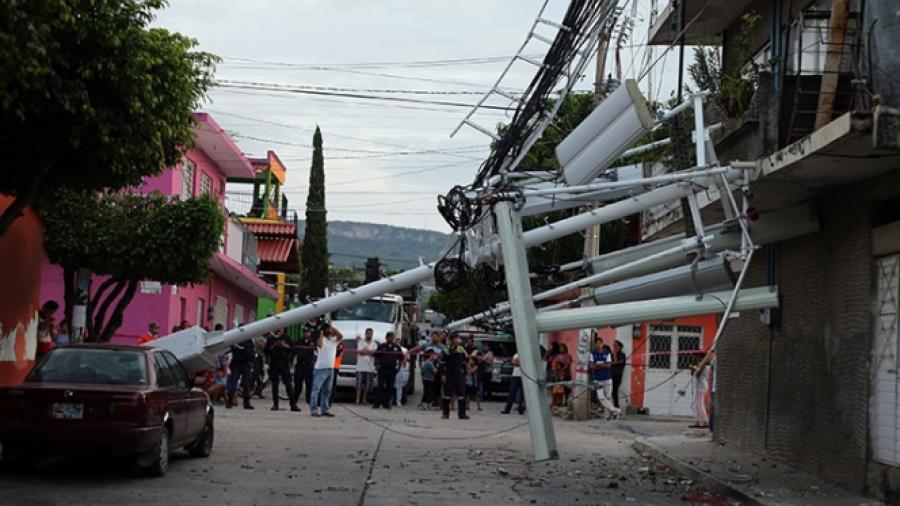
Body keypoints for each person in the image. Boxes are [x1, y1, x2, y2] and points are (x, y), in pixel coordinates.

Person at [310, 320, 343, 417]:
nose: (331, 331)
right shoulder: (322, 339)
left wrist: (331, 327)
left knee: (327, 390)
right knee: (316, 389)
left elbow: (340, 335)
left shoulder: (334, 341)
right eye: (328, 329)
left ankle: (325, 409)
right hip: (320, 368)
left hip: (330, 368)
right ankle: (314, 409)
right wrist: (321, 333)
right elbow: (319, 345)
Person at [265, 328, 299, 412]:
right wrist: (273, 346)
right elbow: (266, 350)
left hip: (284, 363)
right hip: (274, 363)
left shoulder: (286, 338)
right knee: (274, 384)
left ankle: (293, 404)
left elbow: (294, 349)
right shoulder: (271, 338)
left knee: (288, 384)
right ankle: (275, 404)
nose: (278, 331)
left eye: (280, 329)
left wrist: (285, 346)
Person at [440, 333, 469, 420]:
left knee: (461, 394)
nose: (458, 340)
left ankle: (462, 414)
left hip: (459, 374)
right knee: (447, 394)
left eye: (458, 338)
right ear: (451, 340)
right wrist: (443, 374)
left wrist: (466, 374)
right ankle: (445, 414)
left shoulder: (461, 349)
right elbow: (442, 364)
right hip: (448, 374)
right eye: (456, 338)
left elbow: (464, 363)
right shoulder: (445, 350)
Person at [591, 340, 621, 420]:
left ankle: (608, 415)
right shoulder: (593, 353)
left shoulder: (607, 353)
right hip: (598, 379)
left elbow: (608, 365)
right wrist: (598, 366)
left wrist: (599, 365)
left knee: (608, 397)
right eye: (596, 343)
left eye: (599, 343)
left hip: (607, 378)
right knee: (601, 397)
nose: (598, 344)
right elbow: (592, 366)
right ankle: (615, 410)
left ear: (602, 344)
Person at [373, 331, 402, 409]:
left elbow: (401, 358)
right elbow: (376, 356)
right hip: (382, 369)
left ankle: (386, 404)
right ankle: (377, 403)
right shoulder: (381, 346)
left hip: (392, 370)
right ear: (386, 338)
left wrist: (399, 368)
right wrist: (376, 365)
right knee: (380, 387)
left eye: (392, 337)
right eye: (389, 337)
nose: (391, 339)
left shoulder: (397, 348)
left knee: (390, 387)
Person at [226, 335, 255, 410]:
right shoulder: (236, 338)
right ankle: (230, 401)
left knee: (246, 384)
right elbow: (231, 349)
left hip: (245, 363)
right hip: (237, 363)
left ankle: (246, 402)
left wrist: (251, 361)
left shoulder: (248, 339)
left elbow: (251, 350)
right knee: (234, 382)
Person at [292, 323, 317, 406]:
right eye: (305, 332)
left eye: (307, 332)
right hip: (300, 365)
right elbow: (293, 353)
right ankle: (294, 400)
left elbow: (316, 353)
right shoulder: (298, 341)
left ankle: (309, 400)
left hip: (309, 365)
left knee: (309, 384)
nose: (306, 334)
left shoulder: (313, 342)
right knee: (298, 384)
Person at [690, 350, 712, 429]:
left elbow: (697, 374)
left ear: (701, 357)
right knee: (697, 404)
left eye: (697, 356)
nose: (696, 358)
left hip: (701, 385)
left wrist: (694, 369)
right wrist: (693, 369)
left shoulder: (704, 364)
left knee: (699, 404)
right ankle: (698, 421)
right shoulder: (701, 364)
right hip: (699, 385)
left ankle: (704, 421)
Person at [356, 328, 378, 404]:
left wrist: (366, 350)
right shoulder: (361, 342)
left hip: (370, 368)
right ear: (365, 334)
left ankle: (364, 399)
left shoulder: (374, 343)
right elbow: (360, 352)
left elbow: (374, 353)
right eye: (368, 333)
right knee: (359, 385)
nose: (369, 335)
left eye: (371, 333)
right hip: (360, 367)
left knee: (367, 385)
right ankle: (357, 399)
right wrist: (369, 352)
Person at [610, 340, 627, 409]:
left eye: (615, 346)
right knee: (609, 391)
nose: (614, 347)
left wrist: (614, 355)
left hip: (617, 376)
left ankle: (616, 407)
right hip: (610, 375)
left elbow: (616, 362)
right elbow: (610, 363)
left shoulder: (622, 355)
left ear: (620, 347)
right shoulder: (611, 354)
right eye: (613, 346)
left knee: (614, 391)